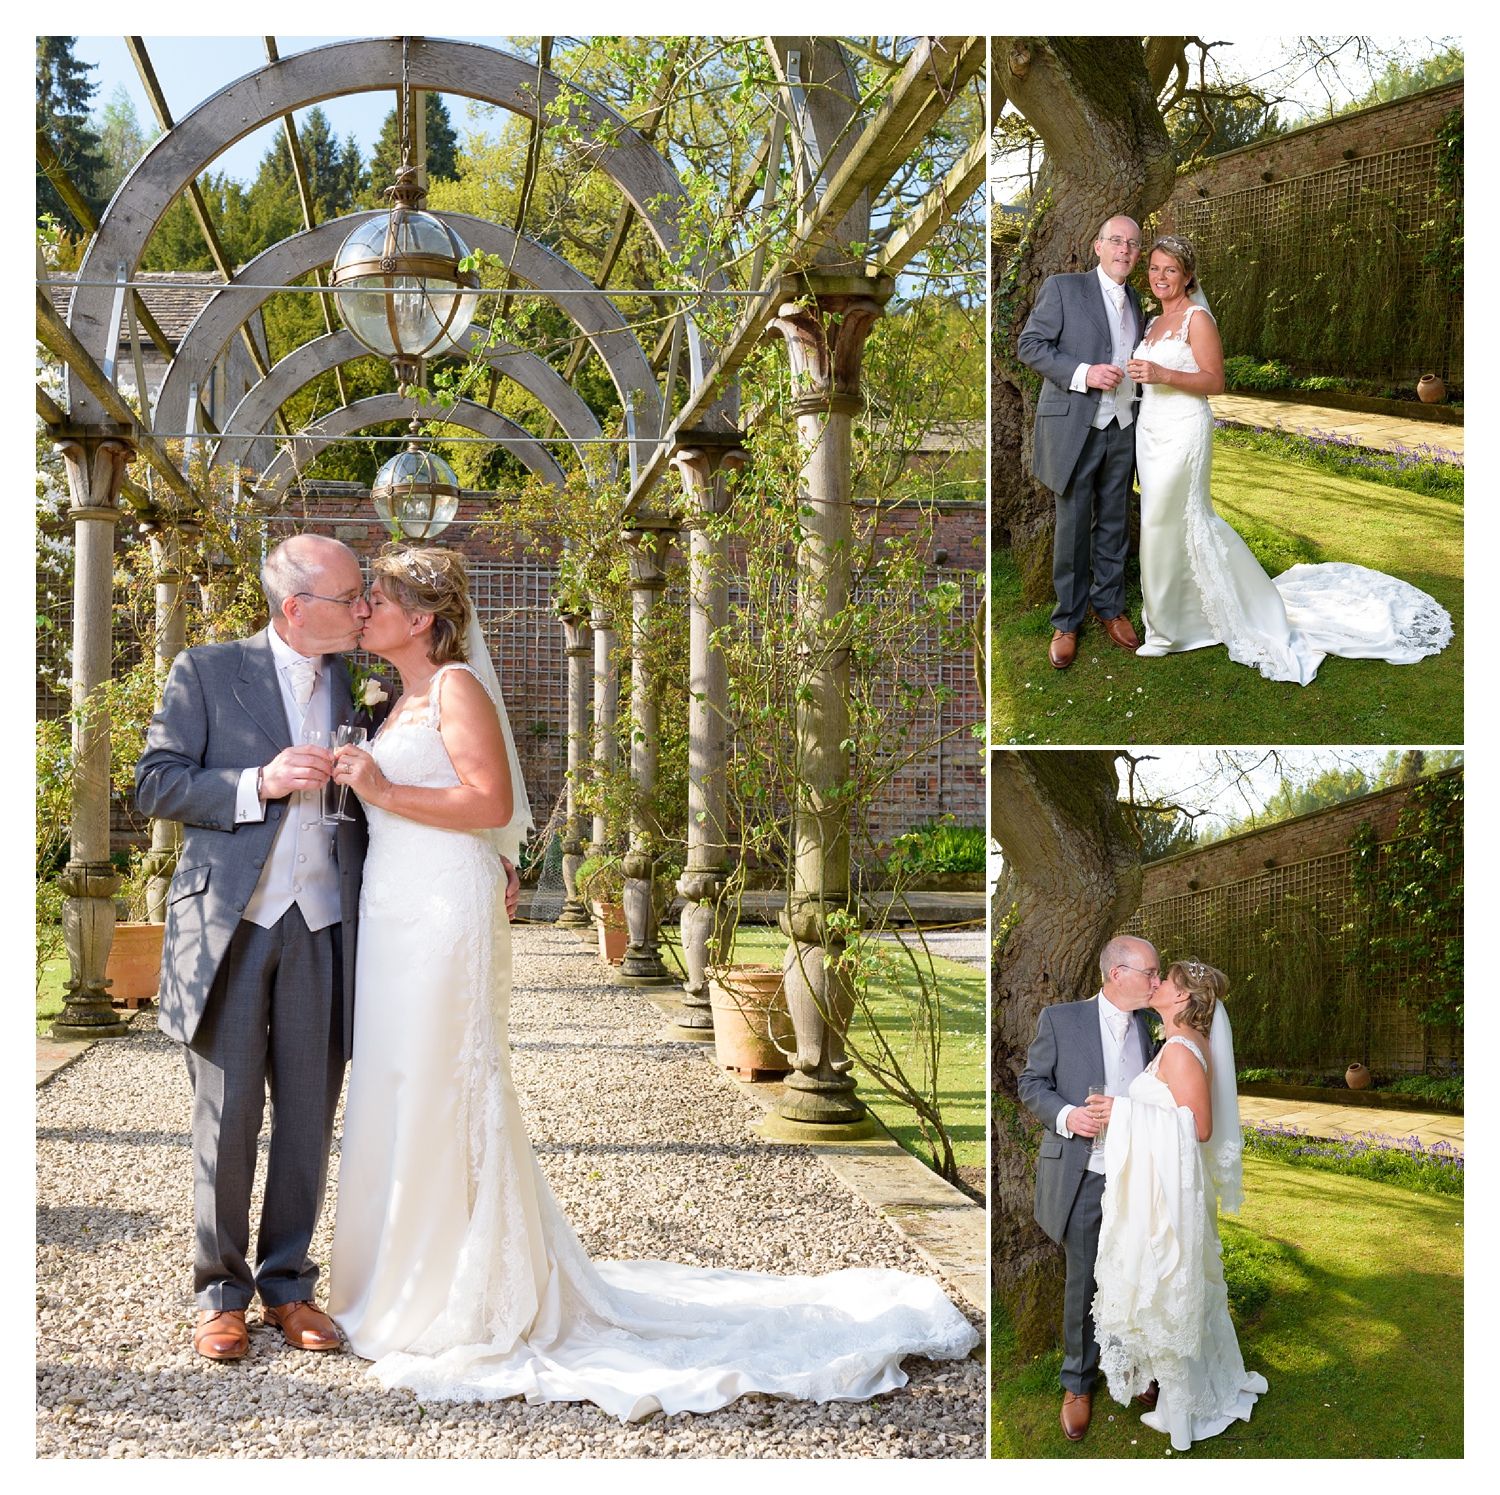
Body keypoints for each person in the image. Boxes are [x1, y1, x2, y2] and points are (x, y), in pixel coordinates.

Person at [324, 546, 979, 1420]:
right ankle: (397, 1273)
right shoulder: (398, 695)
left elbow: (488, 804)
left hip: (443, 911)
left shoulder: (454, 689)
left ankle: (464, 1288)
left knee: (443, 1080)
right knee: (396, 1078)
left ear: (424, 620)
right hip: (397, 904)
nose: (366, 607)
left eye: (382, 597)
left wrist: (380, 785)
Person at [135, 535, 370, 1362]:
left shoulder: (362, 681)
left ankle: (289, 1286)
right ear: (296, 606)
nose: (366, 606)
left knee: (310, 1113)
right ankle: (220, 1292)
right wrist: (257, 783)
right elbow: (155, 780)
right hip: (230, 923)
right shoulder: (205, 670)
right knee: (227, 1115)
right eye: (351, 596)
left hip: (325, 920)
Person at [1127, 234, 1452, 683]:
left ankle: (1168, 631)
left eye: (1171, 270)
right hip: (1151, 430)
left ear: (1187, 277)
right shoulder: (1150, 323)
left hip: (1184, 431)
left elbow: (1215, 381)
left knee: (1167, 520)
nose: (1160, 277)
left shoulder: (1197, 319)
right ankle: (1187, 615)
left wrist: (1162, 373)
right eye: (1155, 269)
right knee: (1168, 525)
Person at [1087, 960, 1269, 1451]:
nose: (1157, 984)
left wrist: (1122, 1111)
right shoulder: (1175, 1044)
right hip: (1162, 1186)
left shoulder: (1182, 1051)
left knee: (1173, 1290)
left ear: (1183, 998)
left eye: (1166, 981)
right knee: (1179, 1291)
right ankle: (1181, 1401)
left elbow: (1200, 1127)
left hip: (1168, 1197)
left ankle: (1184, 1413)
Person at [1017, 935, 1163, 1441]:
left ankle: (1132, 1369)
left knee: (1135, 1274)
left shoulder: (1151, 1026)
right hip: (1084, 1173)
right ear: (1117, 974)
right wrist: (1067, 1115)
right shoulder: (1060, 1019)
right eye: (1150, 972)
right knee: (1083, 1280)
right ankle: (1077, 1383)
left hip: (1136, 1174)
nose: (1157, 981)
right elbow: (1032, 1084)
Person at [1017, 214, 1147, 671]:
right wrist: (1084, 374)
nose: (1125, 250)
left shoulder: (1137, 301)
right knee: (1072, 526)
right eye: (1116, 241)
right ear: (1098, 246)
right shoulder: (1063, 287)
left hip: (1124, 426)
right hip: (1075, 425)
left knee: (1114, 520)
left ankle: (1110, 607)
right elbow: (1030, 345)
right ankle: (1067, 621)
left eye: (1133, 243)